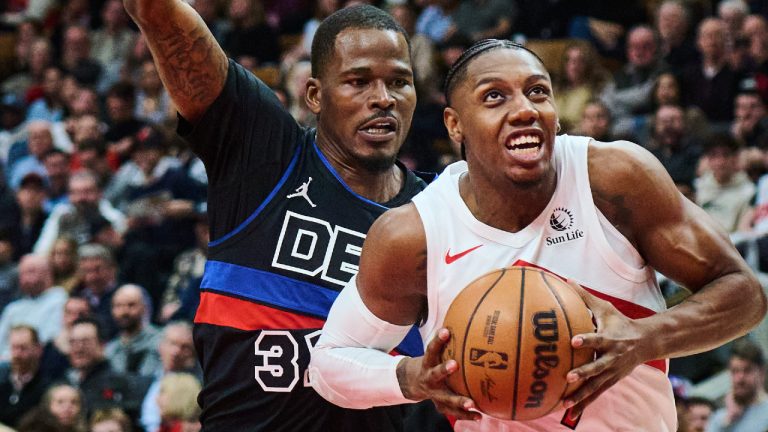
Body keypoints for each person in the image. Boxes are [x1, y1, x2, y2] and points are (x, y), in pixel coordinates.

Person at [309, 39, 767, 431]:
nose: (525, 109)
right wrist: (409, 377)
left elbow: (745, 294)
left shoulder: (613, 179)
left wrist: (646, 337)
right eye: (494, 97)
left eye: (537, 92)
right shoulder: (415, 235)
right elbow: (329, 364)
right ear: (454, 125)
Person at [123, 1, 442, 430]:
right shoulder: (264, 155)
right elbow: (153, 10)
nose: (383, 99)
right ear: (314, 95)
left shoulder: (438, 214)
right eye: (358, 81)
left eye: (399, 82)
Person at [706, 338, 768, 432]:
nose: (740, 378)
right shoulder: (719, 420)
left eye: (747, 370)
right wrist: (729, 420)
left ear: (762, 372)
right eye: (735, 371)